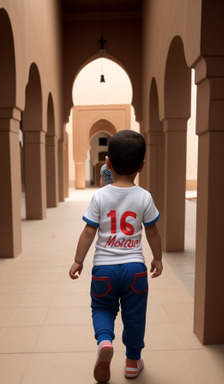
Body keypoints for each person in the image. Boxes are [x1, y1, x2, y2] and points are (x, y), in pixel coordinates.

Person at [69, 130, 163, 383]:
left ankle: (105, 341)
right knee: (135, 315)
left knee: (102, 307)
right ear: (142, 165)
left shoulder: (100, 196)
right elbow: (152, 231)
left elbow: (89, 230)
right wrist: (158, 258)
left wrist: (78, 260)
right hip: (135, 269)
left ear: (107, 163)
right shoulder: (144, 197)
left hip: (104, 269)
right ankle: (132, 363)